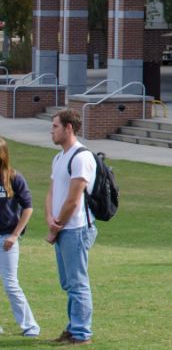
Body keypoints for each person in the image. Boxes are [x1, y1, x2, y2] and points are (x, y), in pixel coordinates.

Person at [46, 109, 97, 345]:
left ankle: (81, 333)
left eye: (55, 126)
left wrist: (57, 225)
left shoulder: (81, 157)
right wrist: (50, 218)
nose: (51, 130)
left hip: (76, 228)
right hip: (62, 228)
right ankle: (73, 327)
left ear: (68, 128)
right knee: (68, 283)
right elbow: (52, 191)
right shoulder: (59, 158)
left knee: (77, 282)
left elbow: (74, 199)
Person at [0, 137, 39, 337]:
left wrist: (15, 235)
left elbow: (28, 208)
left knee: (10, 284)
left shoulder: (14, 178)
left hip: (6, 239)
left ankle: (30, 327)